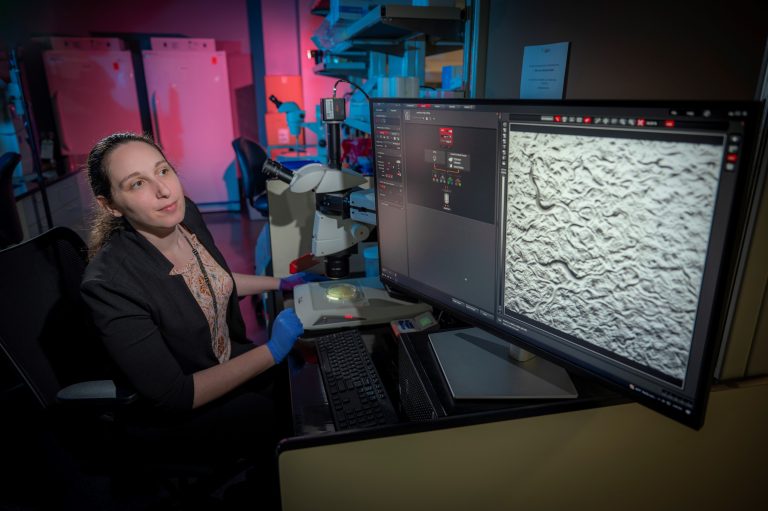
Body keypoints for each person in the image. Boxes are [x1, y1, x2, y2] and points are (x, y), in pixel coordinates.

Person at [80, 132, 323, 497]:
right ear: (111, 205)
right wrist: (271, 350)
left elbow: (213, 280)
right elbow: (176, 394)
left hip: (218, 361)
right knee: (284, 419)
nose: (164, 191)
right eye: (138, 183)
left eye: (163, 170)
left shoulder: (185, 215)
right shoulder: (110, 283)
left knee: (305, 384)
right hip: (177, 412)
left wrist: (281, 283)